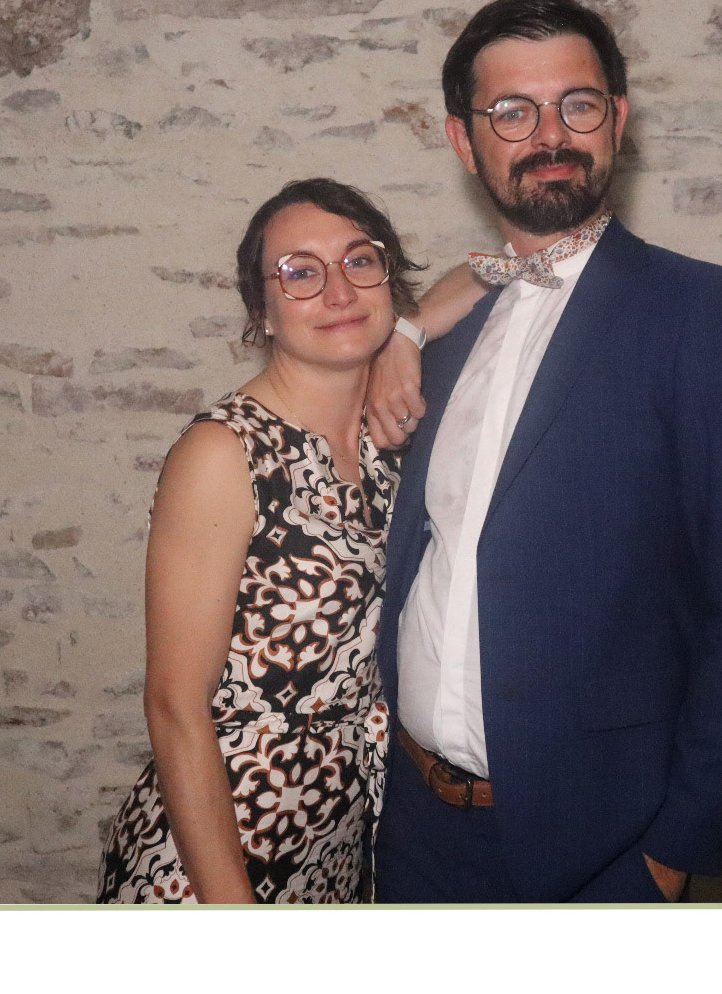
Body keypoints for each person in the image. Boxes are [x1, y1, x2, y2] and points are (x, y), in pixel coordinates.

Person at [364, 0, 722, 903]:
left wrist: (670, 854)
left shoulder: (706, 315)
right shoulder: (443, 334)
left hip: (602, 850)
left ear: (617, 119)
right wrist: (405, 330)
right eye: (512, 111)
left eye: (576, 105)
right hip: (413, 831)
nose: (549, 135)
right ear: (464, 142)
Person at [97, 178, 482, 903]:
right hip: (216, 862)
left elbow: (492, 267)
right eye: (300, 273)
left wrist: (407, 334)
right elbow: (175, 705)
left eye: (360, 261)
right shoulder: (226, 454)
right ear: (263, 312)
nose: (338, 291)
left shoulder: (386, 435)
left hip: (337, 853)